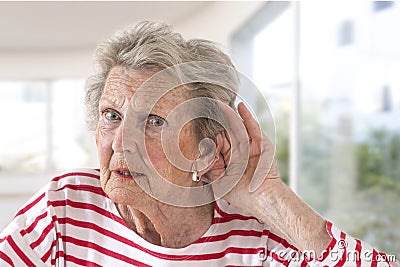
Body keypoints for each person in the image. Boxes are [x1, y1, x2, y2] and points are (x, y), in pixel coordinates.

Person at [0, 21, 397, 267]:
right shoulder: (67, 206)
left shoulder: (257, 238)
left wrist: (267, 196)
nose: (121, 142)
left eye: (154, 121)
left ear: (204, 146)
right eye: (111, 116)